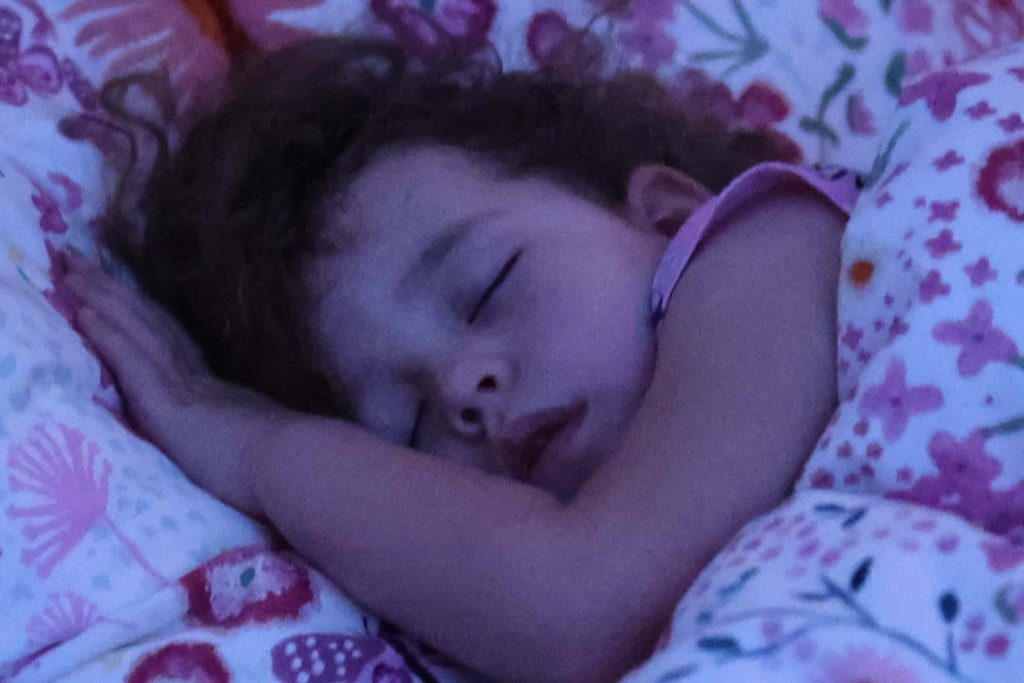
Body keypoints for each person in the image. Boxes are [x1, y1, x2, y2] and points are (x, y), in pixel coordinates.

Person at [60, 36, 852, 682]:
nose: (461, 387)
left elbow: (576, 606)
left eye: (486, 289)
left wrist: (254, 445)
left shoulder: (773, 246)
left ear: (668, 213)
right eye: (408, 426)